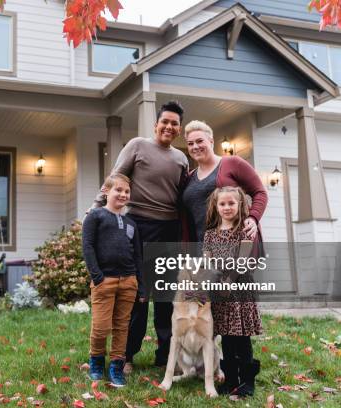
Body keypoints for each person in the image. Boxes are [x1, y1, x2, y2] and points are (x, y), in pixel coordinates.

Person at [92, 101, 189, 373]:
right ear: (156, 124)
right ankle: (127, 356)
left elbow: (182, 198)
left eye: (174, 124)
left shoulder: (181, 159)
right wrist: (97, 207)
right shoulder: (137, 145)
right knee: (135, 295)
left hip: (168, 229)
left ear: (179, 129)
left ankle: (166, 355)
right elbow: (116, 177)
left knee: (165, 297)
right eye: (165, 121)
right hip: (138, 227)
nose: (169, 127)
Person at [82, 174, 145, 387]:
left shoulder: (131, 223)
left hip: (128, 281)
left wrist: (140, 285)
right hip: (104, 281)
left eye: (127, 191)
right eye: (118, 190)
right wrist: (97, 276)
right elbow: (88, 246)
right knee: (100, 327)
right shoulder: (96, 216)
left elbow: (138, 255)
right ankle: (96, 362)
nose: (123, 194)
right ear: (105, 191)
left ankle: (117, 366)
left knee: (122, 327)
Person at [202, 186, 263, 397]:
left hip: (239, 290)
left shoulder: (245, 231)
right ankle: (230, 380)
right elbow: (207, 263)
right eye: (222, 203)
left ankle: (247, 381)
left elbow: (243, 260)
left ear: (240, 205)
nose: (227, 207)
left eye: (231, 203)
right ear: (216, 206)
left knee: (241, 337)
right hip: (219, 292)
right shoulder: (210, 235)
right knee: (227, 337)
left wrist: (228, 282)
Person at [181, 120, 267, 246]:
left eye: (199, 141)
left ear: (211, 141)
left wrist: (253, 218)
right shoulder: (188, 177)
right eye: (190, 143)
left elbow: (260, 192)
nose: (195, 146)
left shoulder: (233, 163)